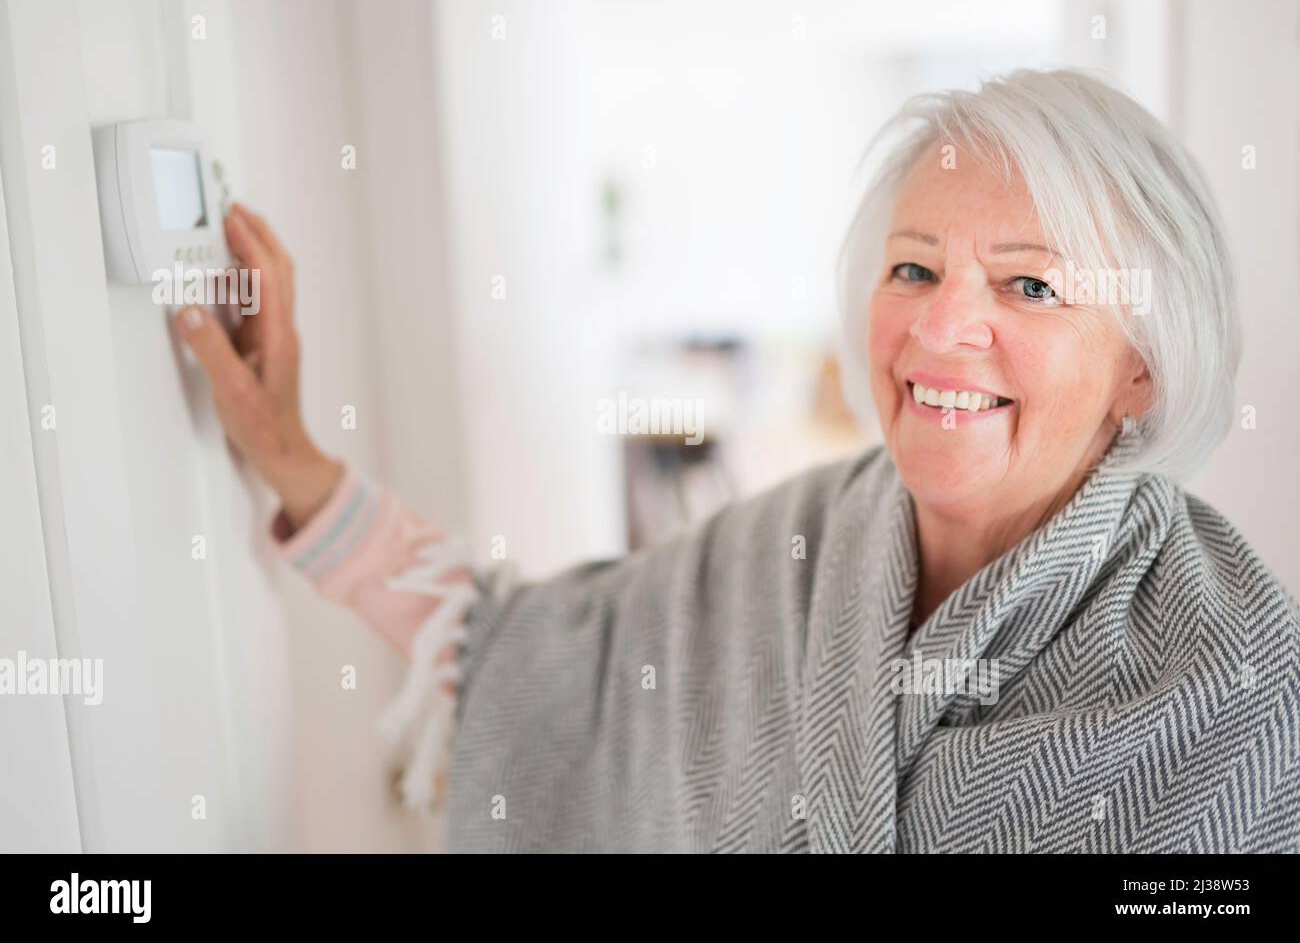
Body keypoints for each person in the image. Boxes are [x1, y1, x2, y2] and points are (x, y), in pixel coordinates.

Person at [175, 68, 1300, 852]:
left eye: (1032, 284)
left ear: (1140, 369)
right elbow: (523, 653)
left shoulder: (1232, 685)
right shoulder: (791, 546)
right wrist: (287, 451)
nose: (940, 328)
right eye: (913, 269)